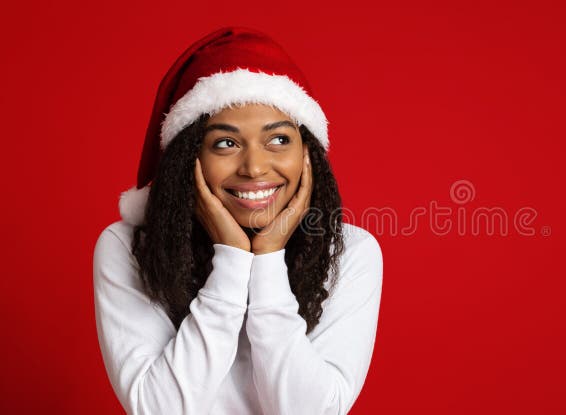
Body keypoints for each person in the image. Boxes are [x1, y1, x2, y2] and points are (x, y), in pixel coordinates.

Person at [92, 27, 383, 415]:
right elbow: (159, 410)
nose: (254, 167)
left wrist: (266, 260)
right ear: (189, 158)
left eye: (279, 139)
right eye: (225, 143)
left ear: (307, 154)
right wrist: (231, 258)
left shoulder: (351, 253)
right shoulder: (129, 247)